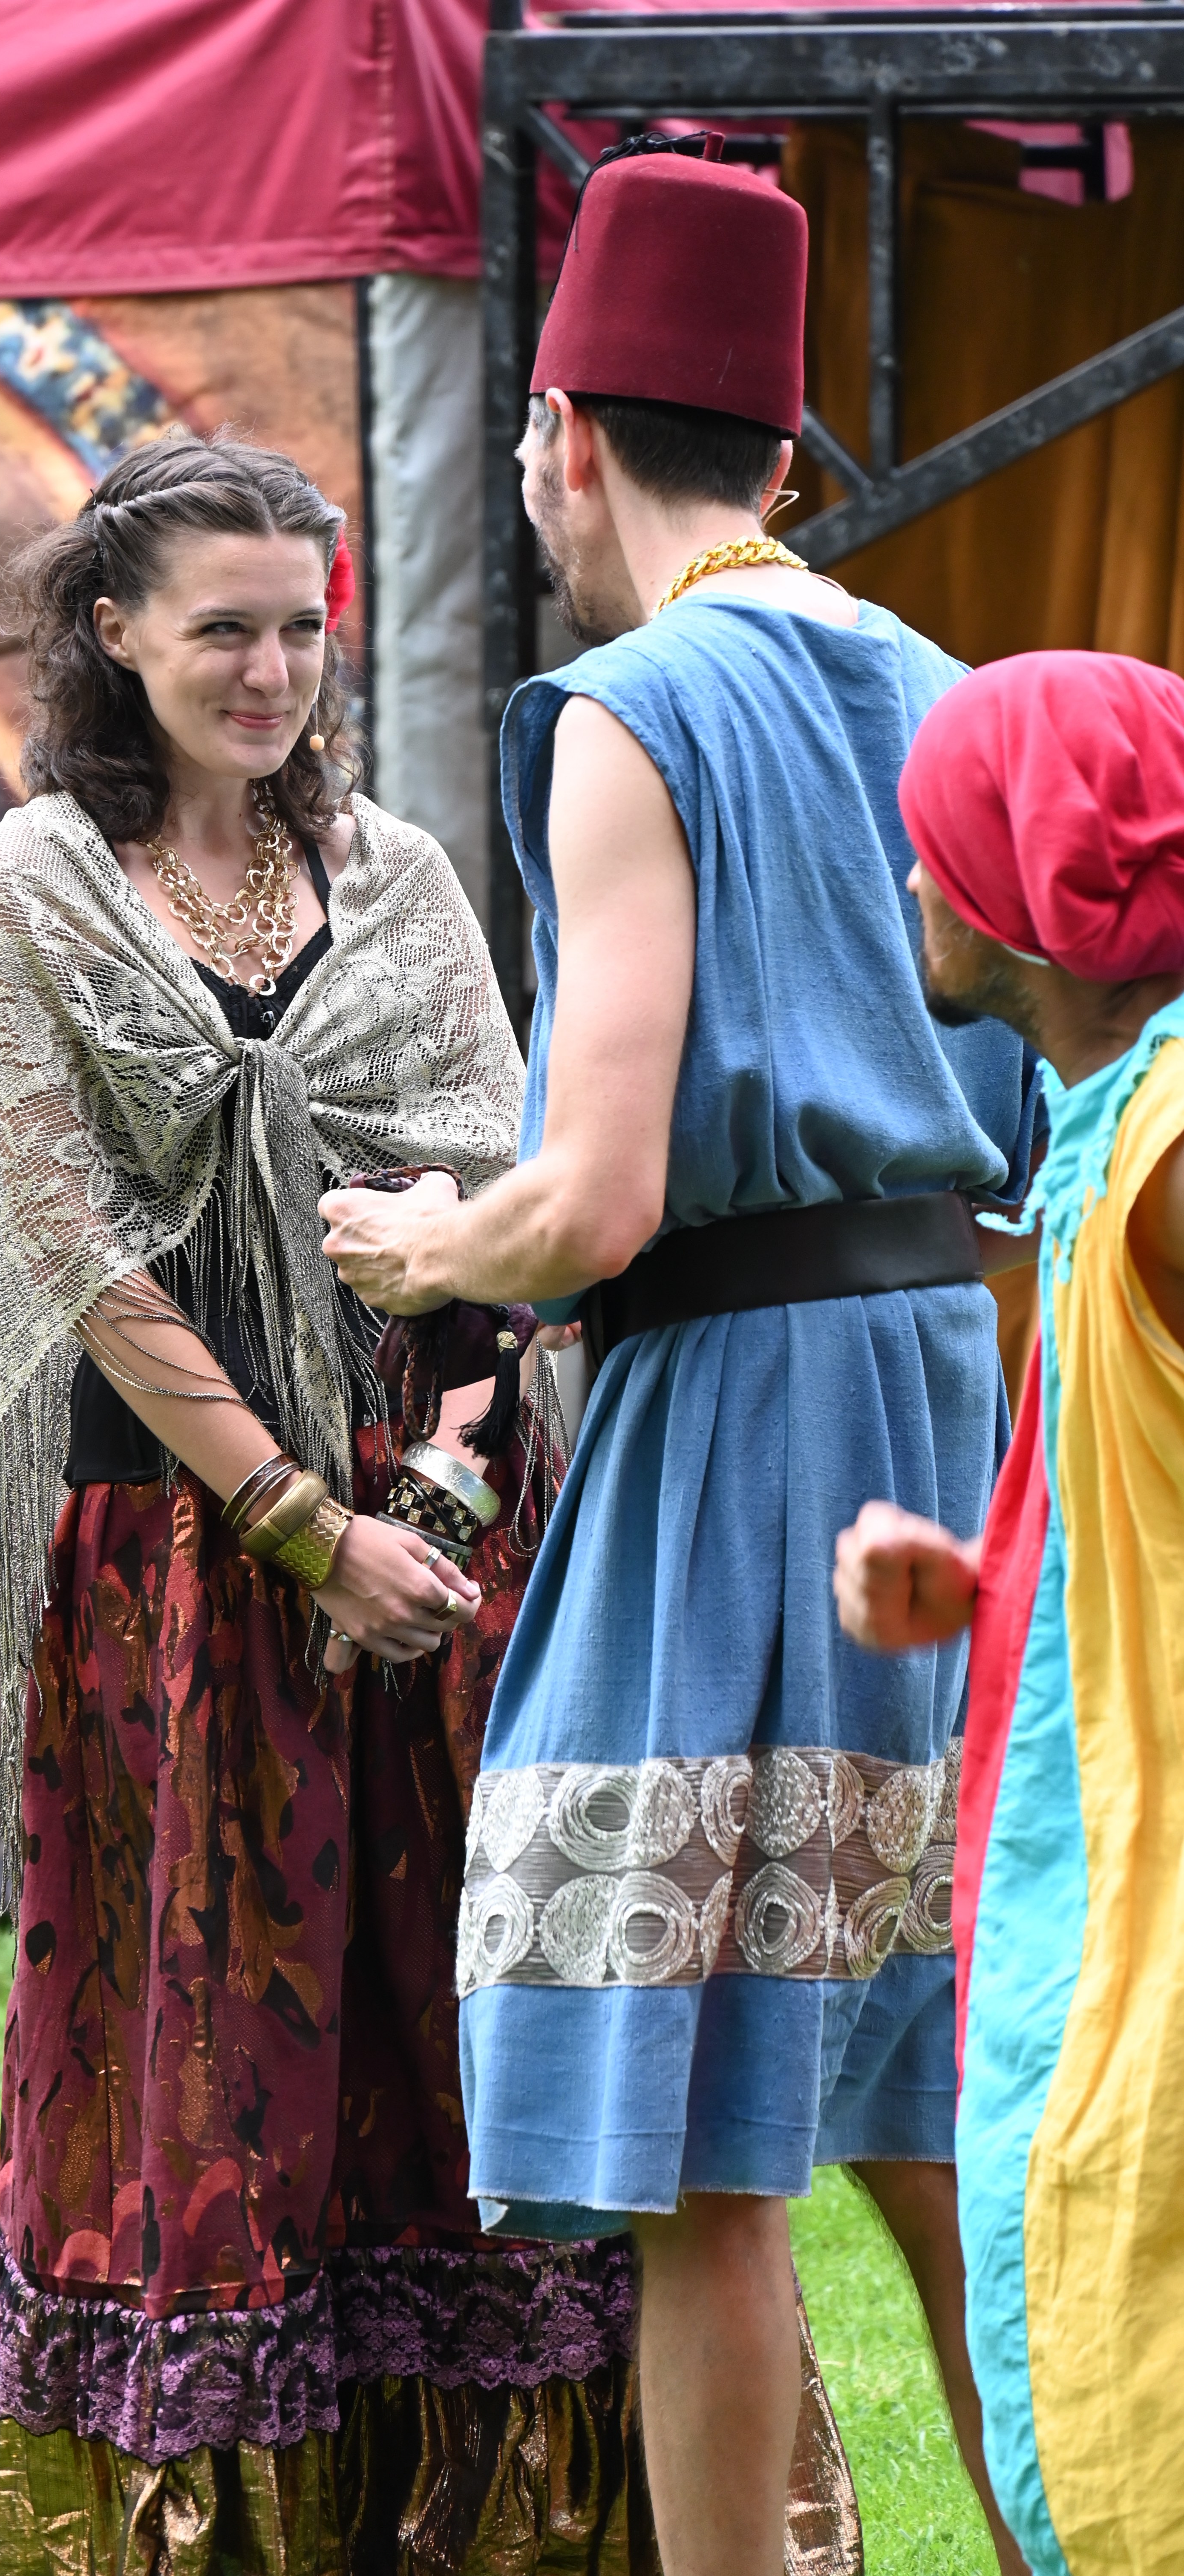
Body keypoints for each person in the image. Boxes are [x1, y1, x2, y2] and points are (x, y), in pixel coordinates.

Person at [320, 138, 1035, 2576]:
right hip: (939, 1390)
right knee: (933, 2121)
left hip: (737, 1423)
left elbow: (597, 1197)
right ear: (784, 453)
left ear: (556, 436)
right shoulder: (935, 684)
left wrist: (431, 1241)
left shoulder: (624, 709)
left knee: (708, 2152)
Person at [0, 428, 673, 2576]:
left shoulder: (404, 875)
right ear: (112, 632)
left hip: (424, 1538)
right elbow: (78, 1257)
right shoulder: (30, 887)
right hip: (166, 1545)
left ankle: (495, 2522)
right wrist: (295, 1528)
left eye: (301, 629)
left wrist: (423, 1523)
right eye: (222, 632)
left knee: (442, 2038)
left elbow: (500, 1209)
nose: (271, 672)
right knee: (202, 2049)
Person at [835, 650, 1184, 2576]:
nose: (914, 887)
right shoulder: (1110, 1127)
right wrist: (1000, 1589)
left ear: (1025, 885)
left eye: (937, 851)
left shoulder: (1173, 1157)